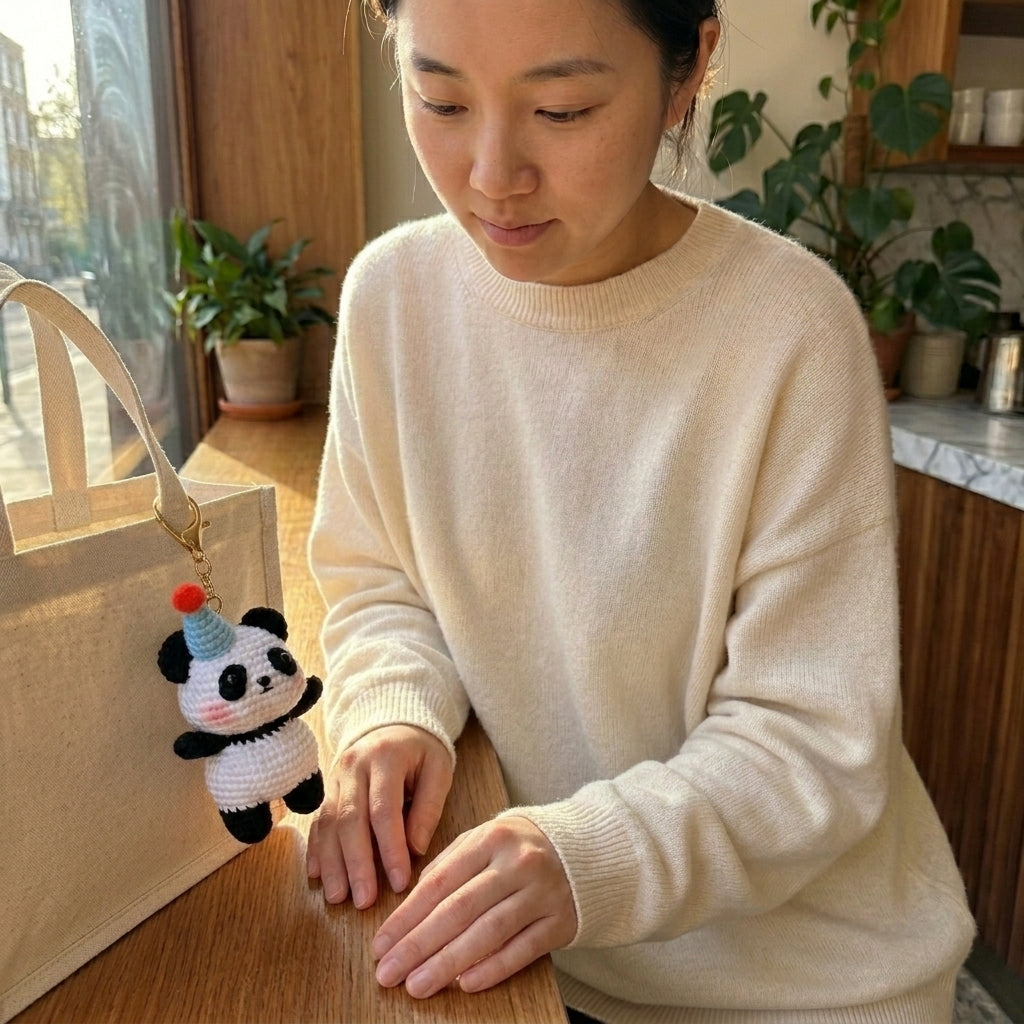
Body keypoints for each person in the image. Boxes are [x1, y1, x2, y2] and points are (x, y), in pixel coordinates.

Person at [306, 0, 976, 1019]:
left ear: (688, 68)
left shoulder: (790, 330)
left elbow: (810, 742)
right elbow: (380, 579)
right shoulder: (391, 300)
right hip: (532, 957)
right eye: (439, 100)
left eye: (562, 110)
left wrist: (586, 860)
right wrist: (393, 708)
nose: (491, 174)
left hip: (803, 984)